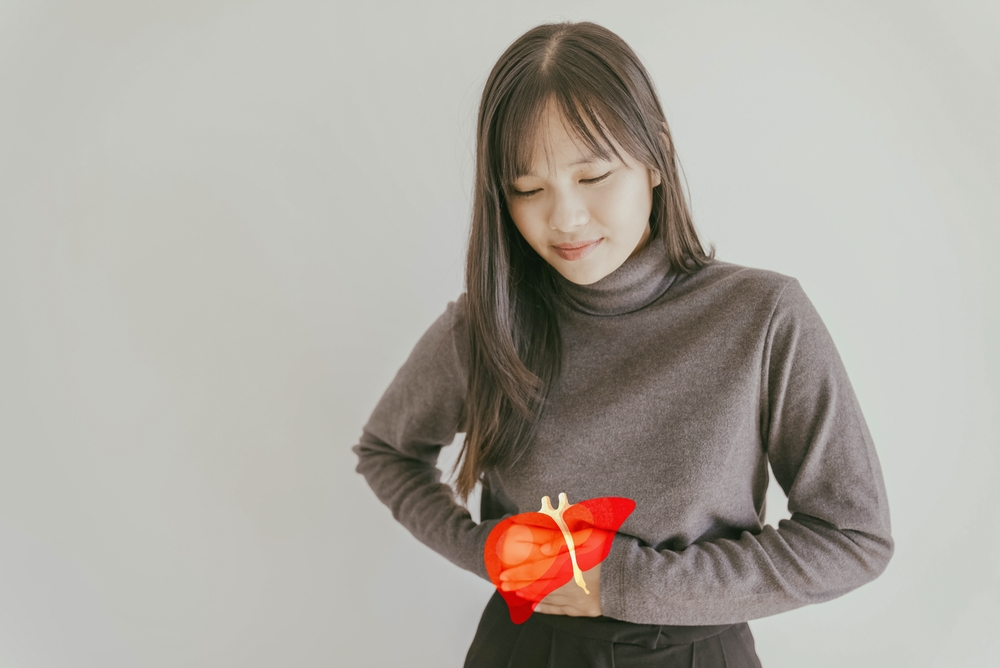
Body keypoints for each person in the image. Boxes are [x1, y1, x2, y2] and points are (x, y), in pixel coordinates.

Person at [352, 21, 893, 667]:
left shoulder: (762, 316)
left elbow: (853, 537)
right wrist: (489, 553)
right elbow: (386, 452)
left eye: (594, 176)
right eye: (528, 189)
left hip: (699, 653)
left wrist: (627, 583)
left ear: (655, 157)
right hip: (525, 648)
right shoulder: (486, 324)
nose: (565, 218)